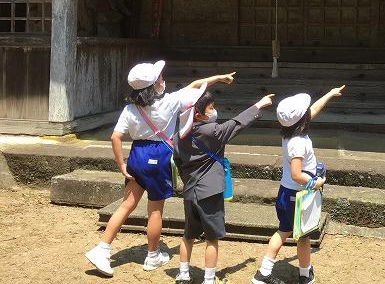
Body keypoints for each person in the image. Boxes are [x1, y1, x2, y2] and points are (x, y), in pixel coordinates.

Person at [85, 60, 235, 277]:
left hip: (137, 155)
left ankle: (102, 248)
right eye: (161, 78)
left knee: (127, 204)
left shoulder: (130, 108)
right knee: (155, 210)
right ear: (155, 85)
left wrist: (122, 164)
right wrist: (219, 78)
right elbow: (195, 86)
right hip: (159, 155)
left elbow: (115, 136)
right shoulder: (170, 102)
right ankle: (152, 255)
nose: (163, 80)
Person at [174, 90, 275, 284]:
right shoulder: (212, 131)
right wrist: (259, 105)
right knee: (212, 238)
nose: (214, 111)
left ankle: (183, 274)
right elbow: (237, 124)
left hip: (190, 191)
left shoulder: (178, 136)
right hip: (210, 191)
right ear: (198, 114)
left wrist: (188, 180)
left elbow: (178, 161)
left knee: (188, 235)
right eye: (211, 108)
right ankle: (209, 279)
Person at [252, 86, 345, 284]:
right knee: (303, 237)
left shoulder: (289, 133)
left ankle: (265, 272)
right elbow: (296, 174)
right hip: (298, 195)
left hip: (286, 193)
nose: (309, 113)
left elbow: (313, 110)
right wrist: (315, 182)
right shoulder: (298, 142)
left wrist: (330, 94)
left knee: (284, 230)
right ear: (302, 119)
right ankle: (304, 275)